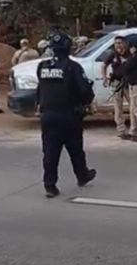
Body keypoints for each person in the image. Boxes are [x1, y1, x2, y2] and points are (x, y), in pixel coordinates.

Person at [36, 28, 97, 198]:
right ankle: (82, 175)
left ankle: (50, 185)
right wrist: (86, 101)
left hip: (47, 116)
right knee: (76, 149)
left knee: (50, 152)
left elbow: (40, 90)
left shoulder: (43, 66)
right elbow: (85, 91)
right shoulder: (72, 67)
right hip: (69, 115)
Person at [101, 36, 132, 139]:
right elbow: (104, 65)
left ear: (124, 43)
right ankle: (121, 130)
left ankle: (135, 128)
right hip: (116, 82)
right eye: (116, 43)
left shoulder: (130, 54)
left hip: (128, 83)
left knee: (134, 106)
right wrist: (104, 78)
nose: (118, 45)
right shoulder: (112, 55)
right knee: (118, 107)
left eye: (120, 42)